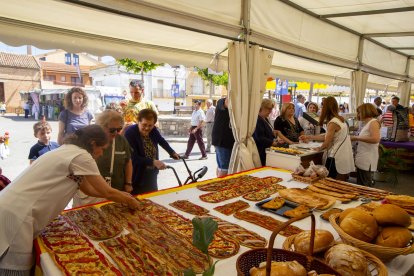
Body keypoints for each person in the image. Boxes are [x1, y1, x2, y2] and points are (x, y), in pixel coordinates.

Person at [0, 125, 140, 275]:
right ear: (93, 143)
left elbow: (88, 189)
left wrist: (121, 196)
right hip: (18, 214)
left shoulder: (69, 149)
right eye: (103, 148)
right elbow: (105, 190)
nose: (101, 153)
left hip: (12, 207)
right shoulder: (81, 156)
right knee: (13, 270)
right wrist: (131, 201)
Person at [73, 110, 133, 206]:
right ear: (101, 126)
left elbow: (128, 161)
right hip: (91, 192)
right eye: (112, 130)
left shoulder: (121, 140)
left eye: (119, 129)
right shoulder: (88, 139)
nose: (116, 133)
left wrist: (128, 183)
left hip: (114, 189)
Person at [124, 109, 180, 194]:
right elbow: (133, 158)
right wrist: (153, 162)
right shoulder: (130, 133)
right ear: (138, 121)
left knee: (153, 197)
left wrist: (171, 152)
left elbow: (161, 141)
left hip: (151, 173)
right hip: (136, 175)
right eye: (144, 125)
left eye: (150, 125)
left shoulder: (153, 130)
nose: (147, 128)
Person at [301, 97, 354, 181]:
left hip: (336, 156)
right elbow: (326, 136)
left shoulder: (333, 122)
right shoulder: (340, 119)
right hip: (344, 154)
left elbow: (326, 142)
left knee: (331, 182)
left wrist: (319, 148)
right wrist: (309, 137)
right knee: (340, 182)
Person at [350, 103, 380, 186]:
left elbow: (375, 139)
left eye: (359, 112)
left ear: (365, 112)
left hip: (367, 160)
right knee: (361, 184)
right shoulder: (368, 123)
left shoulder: (373, 123)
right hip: (363, 158)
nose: (358, 115)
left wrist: (356, 138)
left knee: (365, 185)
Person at [253, 99, 282, 166]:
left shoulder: (265, 118)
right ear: (261, 108)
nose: (270, 111)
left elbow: (267, 133)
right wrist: (272, 142)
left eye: (271, 109)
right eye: (268, 109)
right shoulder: (257, 119)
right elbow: (259, 137)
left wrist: (274, 136)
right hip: (261, 150)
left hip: (267, 150)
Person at [212, 97, 235, 177]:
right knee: (224, 168)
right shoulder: (221, 101)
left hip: (222, 140)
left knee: (221, 167)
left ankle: (218, 184)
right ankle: (219, 187)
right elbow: (227, 103)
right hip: (223, 140)